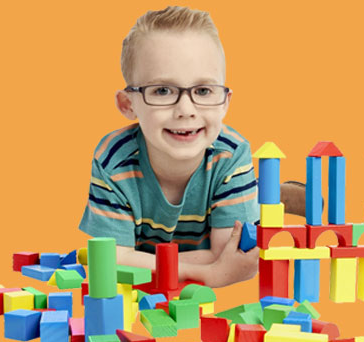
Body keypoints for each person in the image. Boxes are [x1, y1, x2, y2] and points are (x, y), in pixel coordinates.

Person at [79, 6, 305, 287]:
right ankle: (257, 192)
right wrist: (209, 273)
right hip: (200, 220)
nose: (186, 109)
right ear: (128, 104)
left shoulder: (231, 154)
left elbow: (232, 257)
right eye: (162, 90)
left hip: (218, 191)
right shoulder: (112, 160)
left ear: (225, 102)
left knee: (250, 212)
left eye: (203, 91)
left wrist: (142, 260)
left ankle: (266, 194)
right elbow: (109, 260)